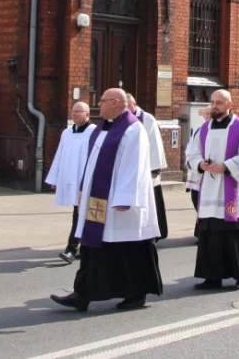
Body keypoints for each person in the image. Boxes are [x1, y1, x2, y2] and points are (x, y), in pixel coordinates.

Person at [51, 88, 162, 311]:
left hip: (120, 205)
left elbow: (135, 167)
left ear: (116, 103)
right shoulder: (101, 128)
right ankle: (82, 294)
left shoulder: (133, 129)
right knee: (93, 249)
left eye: (102, 101)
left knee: (128, 250)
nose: (98, 105)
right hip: (98, 201)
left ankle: (136, 294)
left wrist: (124, 198)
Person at [185, 90, 239, 290]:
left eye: (219, 103)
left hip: (231, 187)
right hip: (209, 189)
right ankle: (212, 276)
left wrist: (227, 166)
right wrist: (199, 164)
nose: (215, 106)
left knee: (232, 232)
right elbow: (191, 153)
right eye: (212, 102)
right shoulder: (203, 129)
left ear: (229, 105)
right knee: (209, 233)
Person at [46, 101, 95, 264]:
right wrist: (55, 178)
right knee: (79, 214)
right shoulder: (67, 133)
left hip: (86, 182)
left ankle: (71, 249)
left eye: (78, 112)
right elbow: (60, 155)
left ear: (87, 114)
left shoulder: (93, 132)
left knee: (81, 215)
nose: (74, 114)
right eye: (73, 111)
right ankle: (81, 248)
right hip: (71, 179)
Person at [127, 94, 168, 240]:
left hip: (148, 169)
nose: (126, 109)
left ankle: (156, 232)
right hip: (132, 170)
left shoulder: (147, 119)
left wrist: (154, 168)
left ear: (135, 104)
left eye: (128, 105)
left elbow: (155, 142)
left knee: (152, 201)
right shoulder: (122, 119)